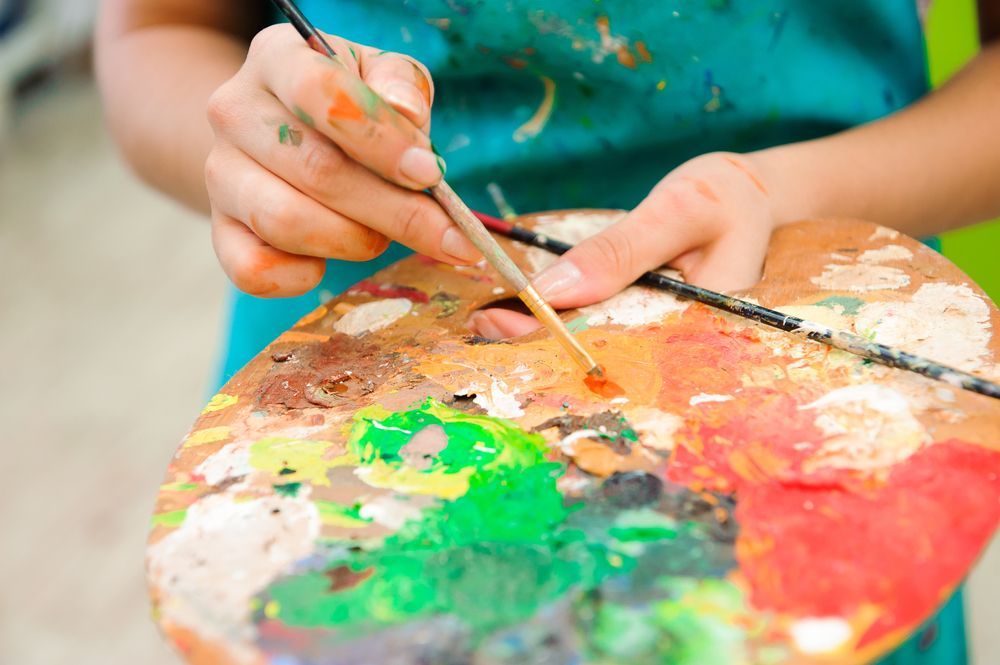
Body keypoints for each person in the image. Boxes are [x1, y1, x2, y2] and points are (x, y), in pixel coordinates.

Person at [95, 2, 1000, 662]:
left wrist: (788, 196)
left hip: (798, 343)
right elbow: (151, 32)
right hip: (364, 393)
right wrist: (263, 158)